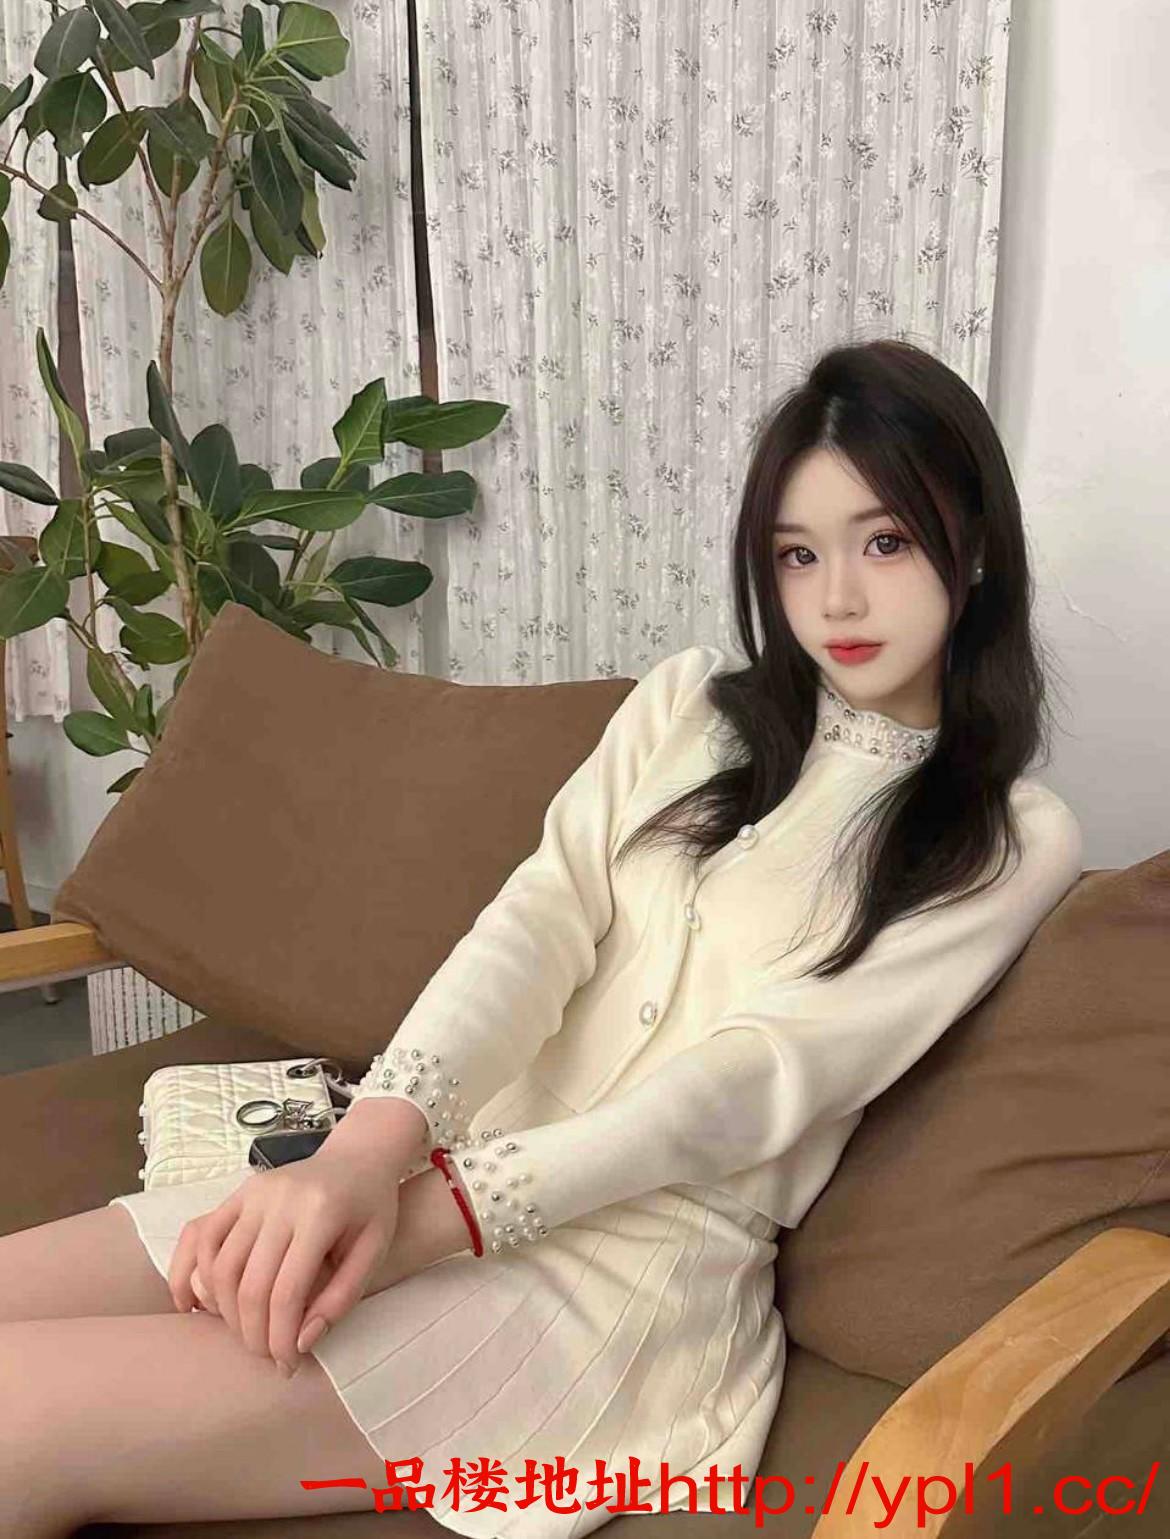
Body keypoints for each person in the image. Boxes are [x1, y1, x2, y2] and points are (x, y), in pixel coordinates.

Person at [0, 338, 1083, 1536]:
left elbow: (761, 1076)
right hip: (430, 1171)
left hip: (614, 1282)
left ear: (975, 546)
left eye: (885, 542)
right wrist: (360, 1160)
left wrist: (432, 1220)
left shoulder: (1006, 838)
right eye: (797, 553)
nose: (836, 600)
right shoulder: (688, 709)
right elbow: (538, 921)